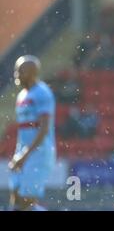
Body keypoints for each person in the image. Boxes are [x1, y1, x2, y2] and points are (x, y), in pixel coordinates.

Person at [8, 55, 56, 211]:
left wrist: (25, 155)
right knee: (15, 198)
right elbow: (24, 130)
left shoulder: (42, 93)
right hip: (24, 153)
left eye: (20, 71)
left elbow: (44, 129)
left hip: (39, 154)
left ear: (32, 73)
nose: (16, 74)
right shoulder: (22, 96)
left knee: (26, 201)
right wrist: (18, 154)